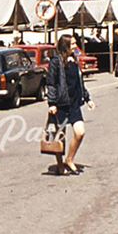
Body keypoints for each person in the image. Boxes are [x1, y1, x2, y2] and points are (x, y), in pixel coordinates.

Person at [46, 35, 94, 174]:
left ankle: (70, 159)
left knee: (80, 132)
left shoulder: (75, 61)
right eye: (72, 44)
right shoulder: (56, 62)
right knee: (60, 137)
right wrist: (52, 103)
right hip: (61, 104)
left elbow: (80, 83)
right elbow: (51, 83)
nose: (75, 46)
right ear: (65, 46)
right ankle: (60, 165)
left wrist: (87, 98)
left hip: (74, 104)